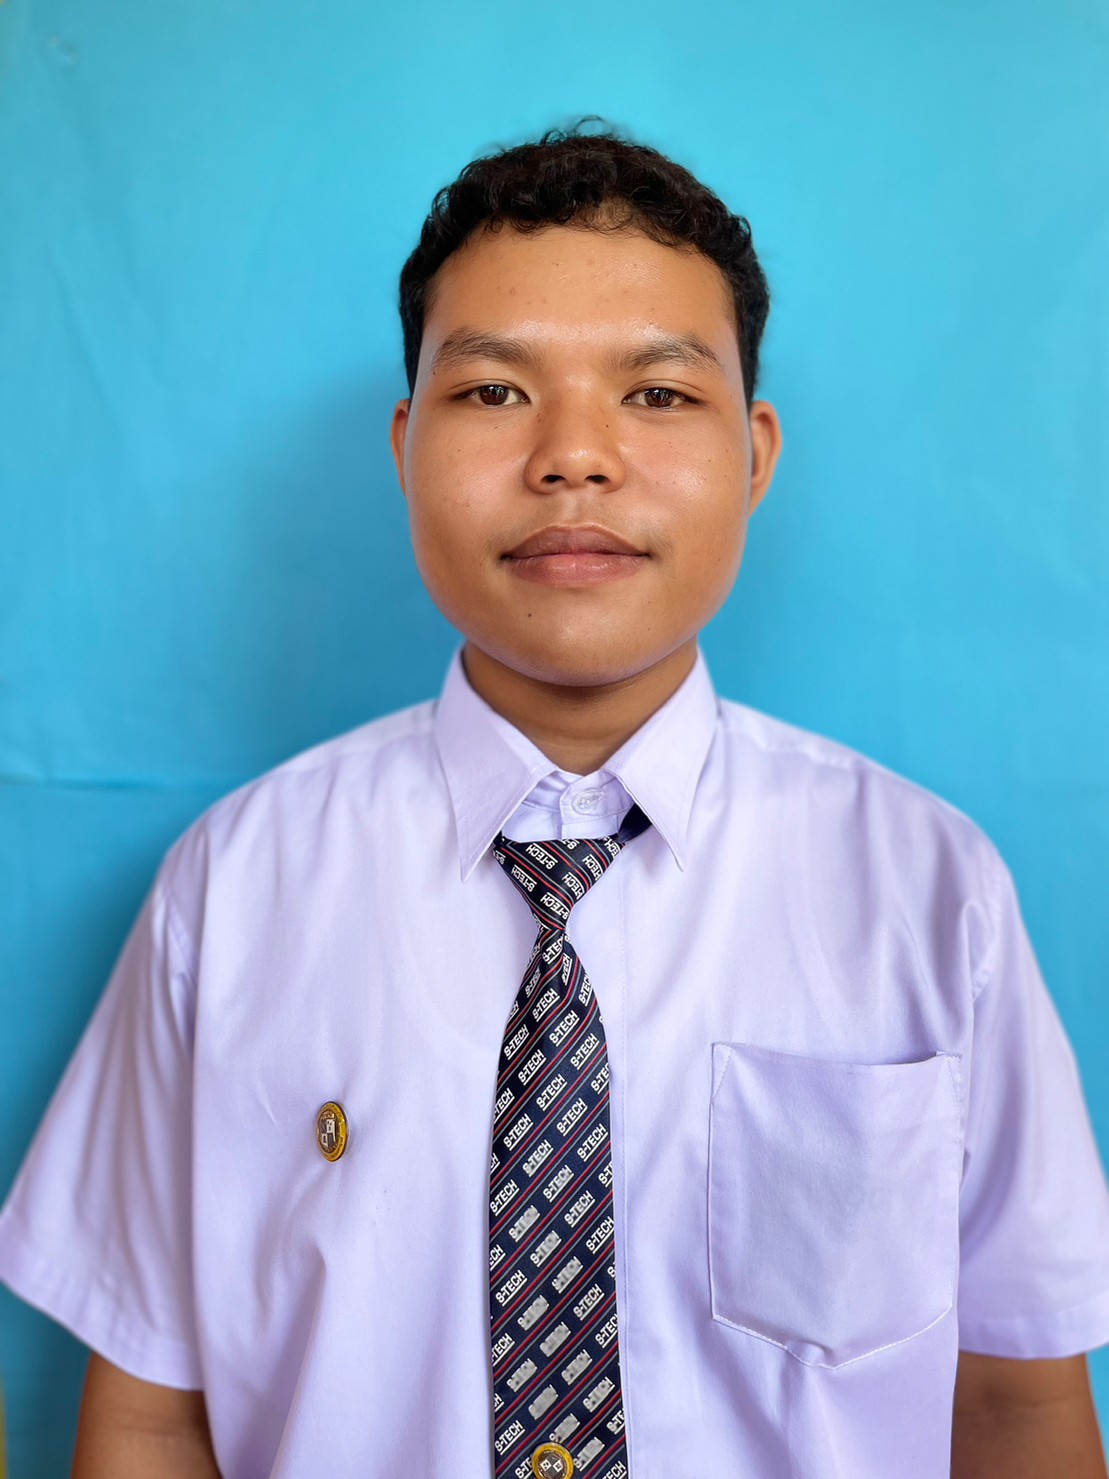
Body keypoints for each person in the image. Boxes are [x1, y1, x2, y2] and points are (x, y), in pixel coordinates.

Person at [2, 124, 1109, 1479]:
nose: (574, 456)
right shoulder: (234, 890)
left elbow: (1013, 1404)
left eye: (657, 393)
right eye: (493, 391)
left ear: (754, 455)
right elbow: (153, 1417)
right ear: (406, 444)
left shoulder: (929, 891)